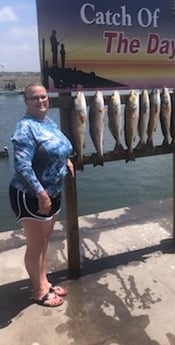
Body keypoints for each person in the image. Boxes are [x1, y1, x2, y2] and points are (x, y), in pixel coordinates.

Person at [9, 83, 74, 307]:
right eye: (34, 98)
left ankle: (44, 281)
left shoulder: (47, 122)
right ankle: (38, 291)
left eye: (43, 97)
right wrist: (41, 194)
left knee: (45, 242)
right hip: (32, 196)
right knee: (36, 245)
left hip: (53, 191)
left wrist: (65, 160)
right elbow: (22, 167)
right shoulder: (25, 128)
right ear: (26, 102)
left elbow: (55, 147)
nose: (40, 101)